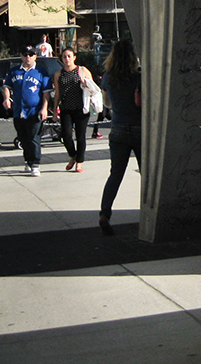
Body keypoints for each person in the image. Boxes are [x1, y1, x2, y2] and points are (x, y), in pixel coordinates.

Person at [98, 37, 142, 235]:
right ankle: (149, 212)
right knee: (147, 175)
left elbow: (107, 104)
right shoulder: (139, 76)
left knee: (115, 174)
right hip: (139, 128)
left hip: (117, 129)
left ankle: (105, 213)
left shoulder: (108, 77)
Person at [2, 46, 50, 177]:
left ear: (35, 56)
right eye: (25, 54)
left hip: (34, 111)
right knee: (23, 138)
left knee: (34, 137)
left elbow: (46, 93)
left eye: (31, 54)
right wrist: (7, 98)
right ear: (22, 56)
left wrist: (44, 108)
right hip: (19, 110)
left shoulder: (41, 72)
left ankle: (35, 164)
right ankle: (28, 161)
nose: (28, 57)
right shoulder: (14, 72)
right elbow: (6, 86)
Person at [52, 48, 97, 173]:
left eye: (69, 56)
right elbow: (57, 94)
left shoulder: (82, 70)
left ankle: (79, 162)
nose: (67, 59)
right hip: (66, 108)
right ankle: (72, 155)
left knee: (80, 136)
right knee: (66, 135)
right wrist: (55, 111)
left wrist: (85, 83)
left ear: (74, 57)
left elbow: (93, 88)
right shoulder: (58, 74)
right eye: (64, 57)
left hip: (81, 108)